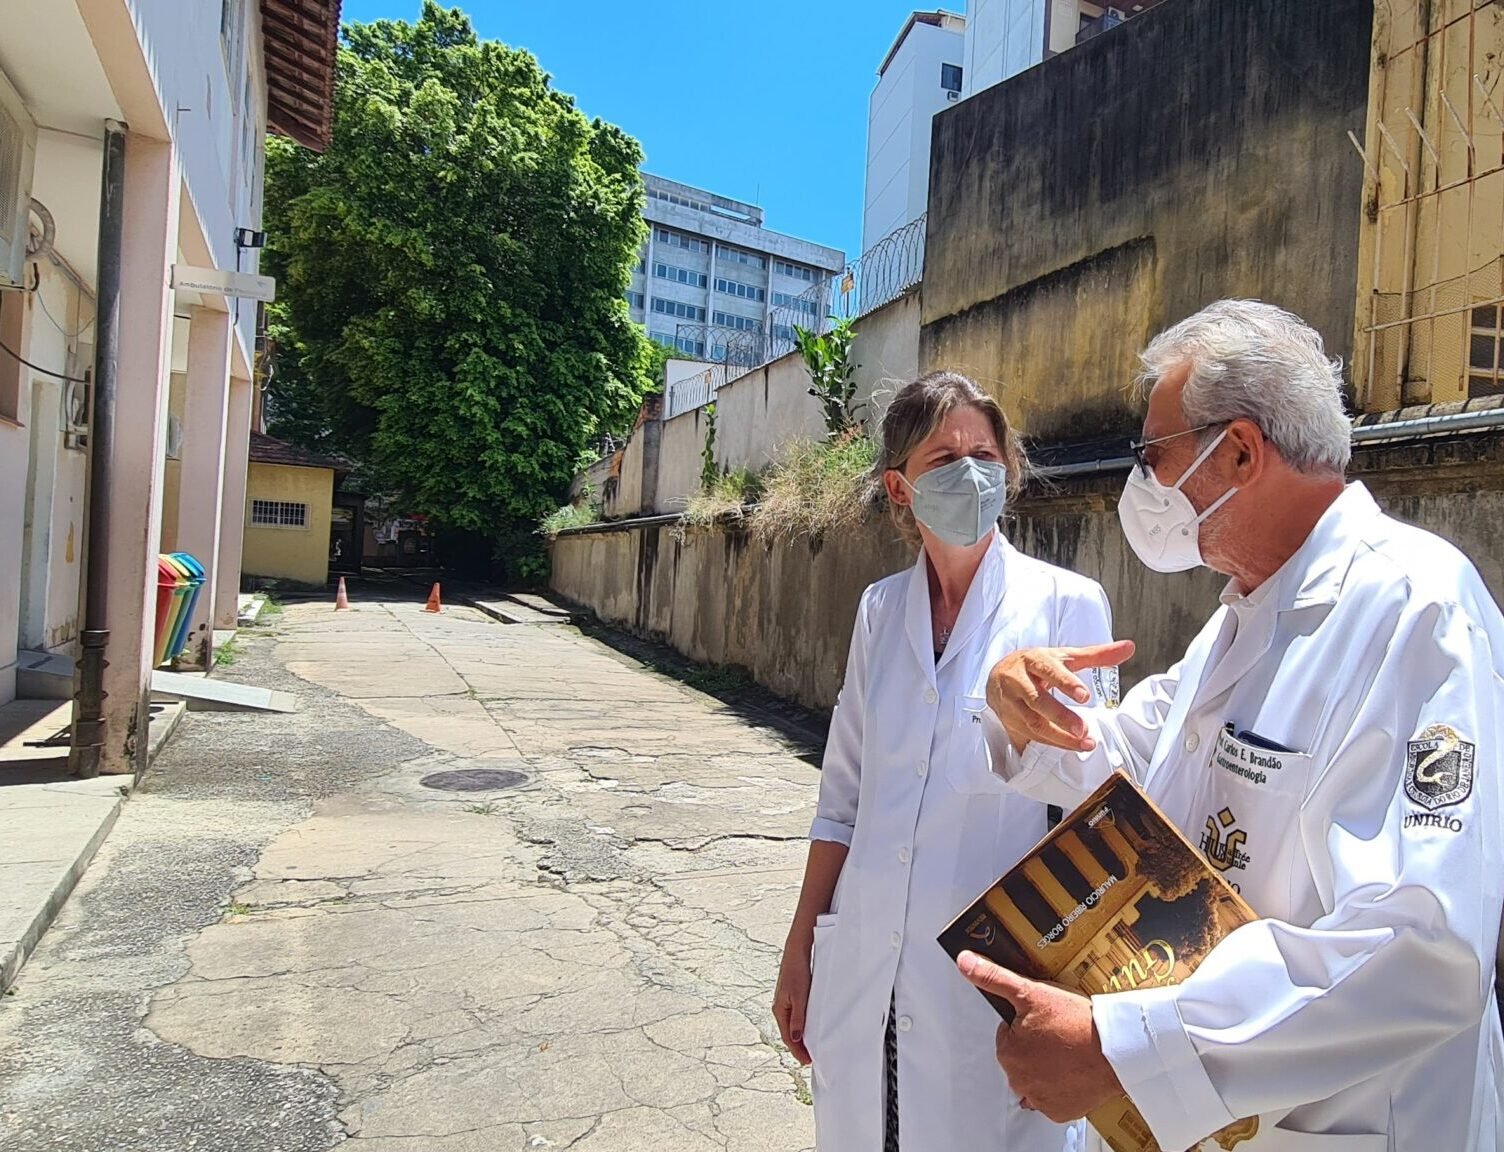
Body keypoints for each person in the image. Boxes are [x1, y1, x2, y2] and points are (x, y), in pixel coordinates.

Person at [966, 299, 1504, 1151]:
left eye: (1155, 455)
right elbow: (1130, 760)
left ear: (1242, 450)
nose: (1143, 483)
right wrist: (1020, 703)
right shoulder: (1241, 618)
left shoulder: (1416, 608)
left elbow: (1425, 950)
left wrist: (1130, 1052)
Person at [773, 371, 1114, 1152]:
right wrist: (801, 945)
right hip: (866, 971)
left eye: (984, 454)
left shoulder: (1066, 605)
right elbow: (843, 797)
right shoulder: (879, 611)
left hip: (990, 983)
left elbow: (1094, 810)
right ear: (900, 486)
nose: (970, 473)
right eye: (944, 458)